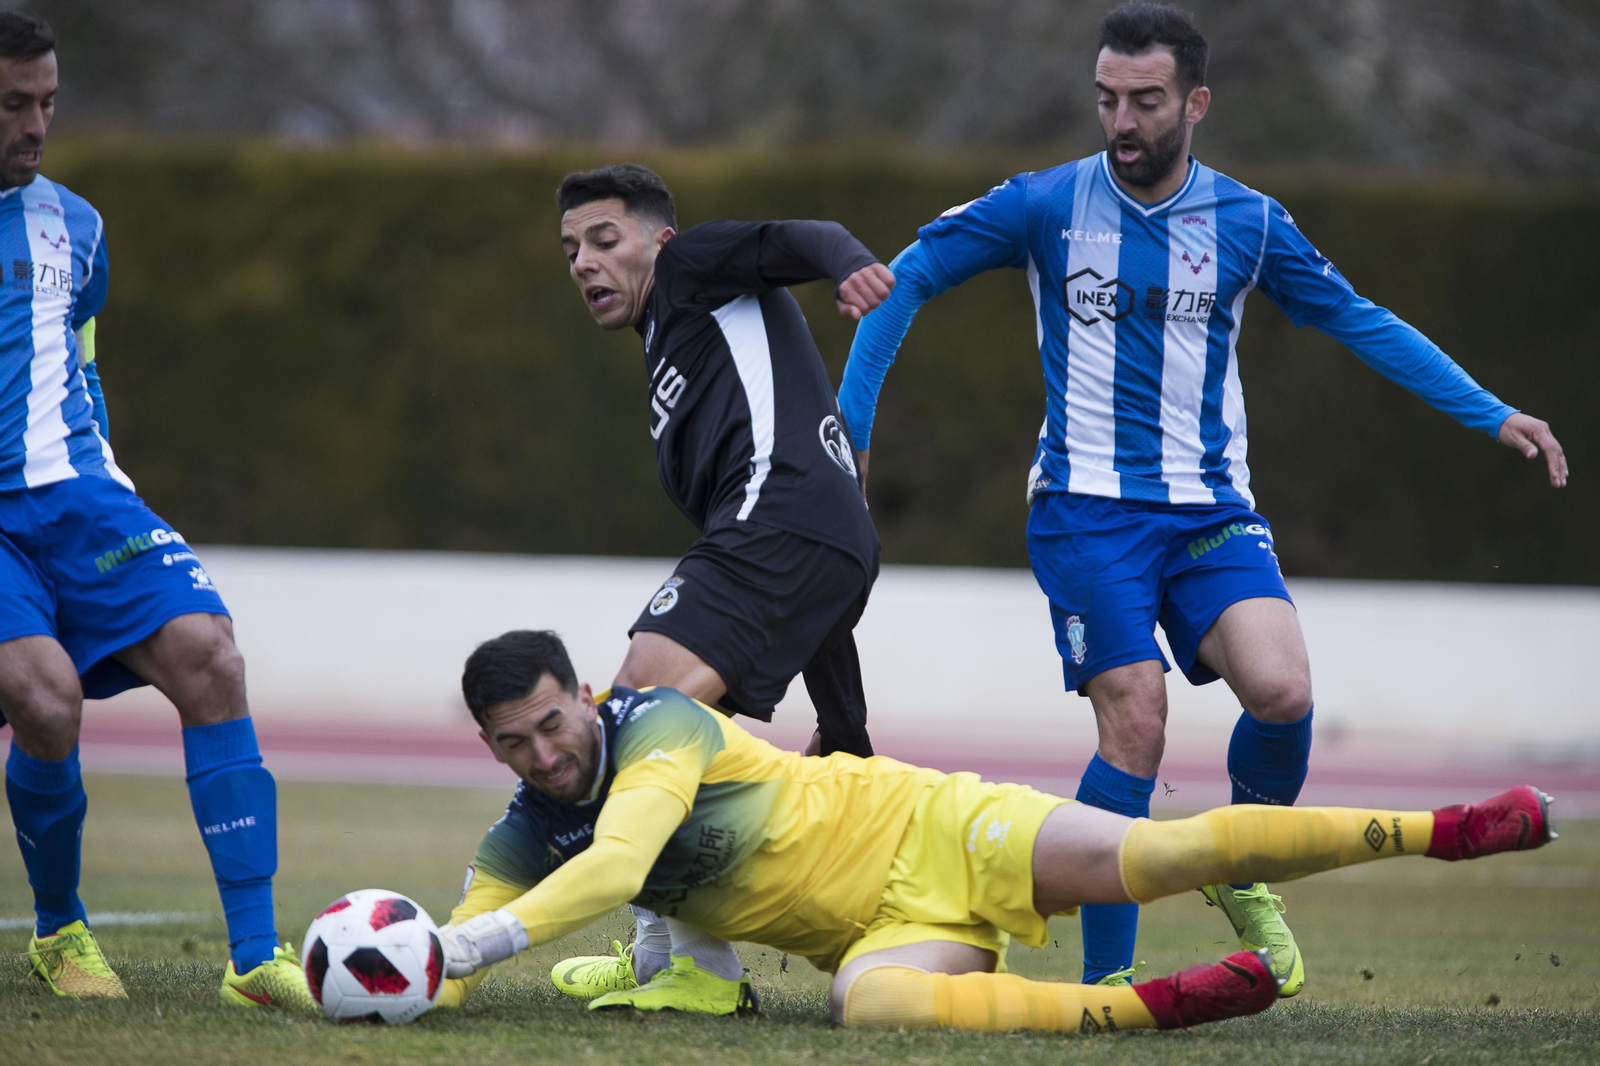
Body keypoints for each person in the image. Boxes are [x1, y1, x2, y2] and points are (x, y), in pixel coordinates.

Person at [835, 1, 1568, 994]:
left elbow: (1356, 318)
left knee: (1284, 692)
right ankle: (1108, 985)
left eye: (1145, 100)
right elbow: (905, 282)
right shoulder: (1044, 205)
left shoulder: (1250, 223)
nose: (1122, 120)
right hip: (1084, 508)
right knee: (1135, 720)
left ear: (1196, 102)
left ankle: (1243, 870)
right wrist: (851, 439)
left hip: (1211, 508)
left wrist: (1487, 412)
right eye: (1106, 100)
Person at [432, 628, 1555, 1034]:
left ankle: (1444, 827)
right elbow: (448, 960)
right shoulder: (525, 834)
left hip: (938, 828)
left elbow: (622, 864)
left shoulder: (664, 723)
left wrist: (478, 946)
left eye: (548, 725)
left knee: (1160, 855)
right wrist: (349, 972)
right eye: (512, 745)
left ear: (584, 694)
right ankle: (1144, 1006)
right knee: (861, 1005)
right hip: (881, 932)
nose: (541, 756)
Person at [0, 12, 313, 1011]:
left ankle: (256, 959)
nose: (35, 124)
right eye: (13, 103)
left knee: (211, 656)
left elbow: (75, 362)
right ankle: (60, 932)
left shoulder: (77, 226)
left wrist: (102, 475)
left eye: (47, 101)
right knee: (46, 699)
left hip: (83, 498)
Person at [546, 165, 896, 1013]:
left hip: (781, 525)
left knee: (635, 718)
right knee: (676, 742)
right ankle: (665, 952)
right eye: (569, 250)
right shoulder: (677, 348)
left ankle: (696, 970)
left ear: (657, 241)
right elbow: (814, 578)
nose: (585, 263)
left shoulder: (690, 267)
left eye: (604, 239)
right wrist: (844, 725)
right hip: (810, 538)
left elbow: (791, 239)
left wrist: (849, 262)